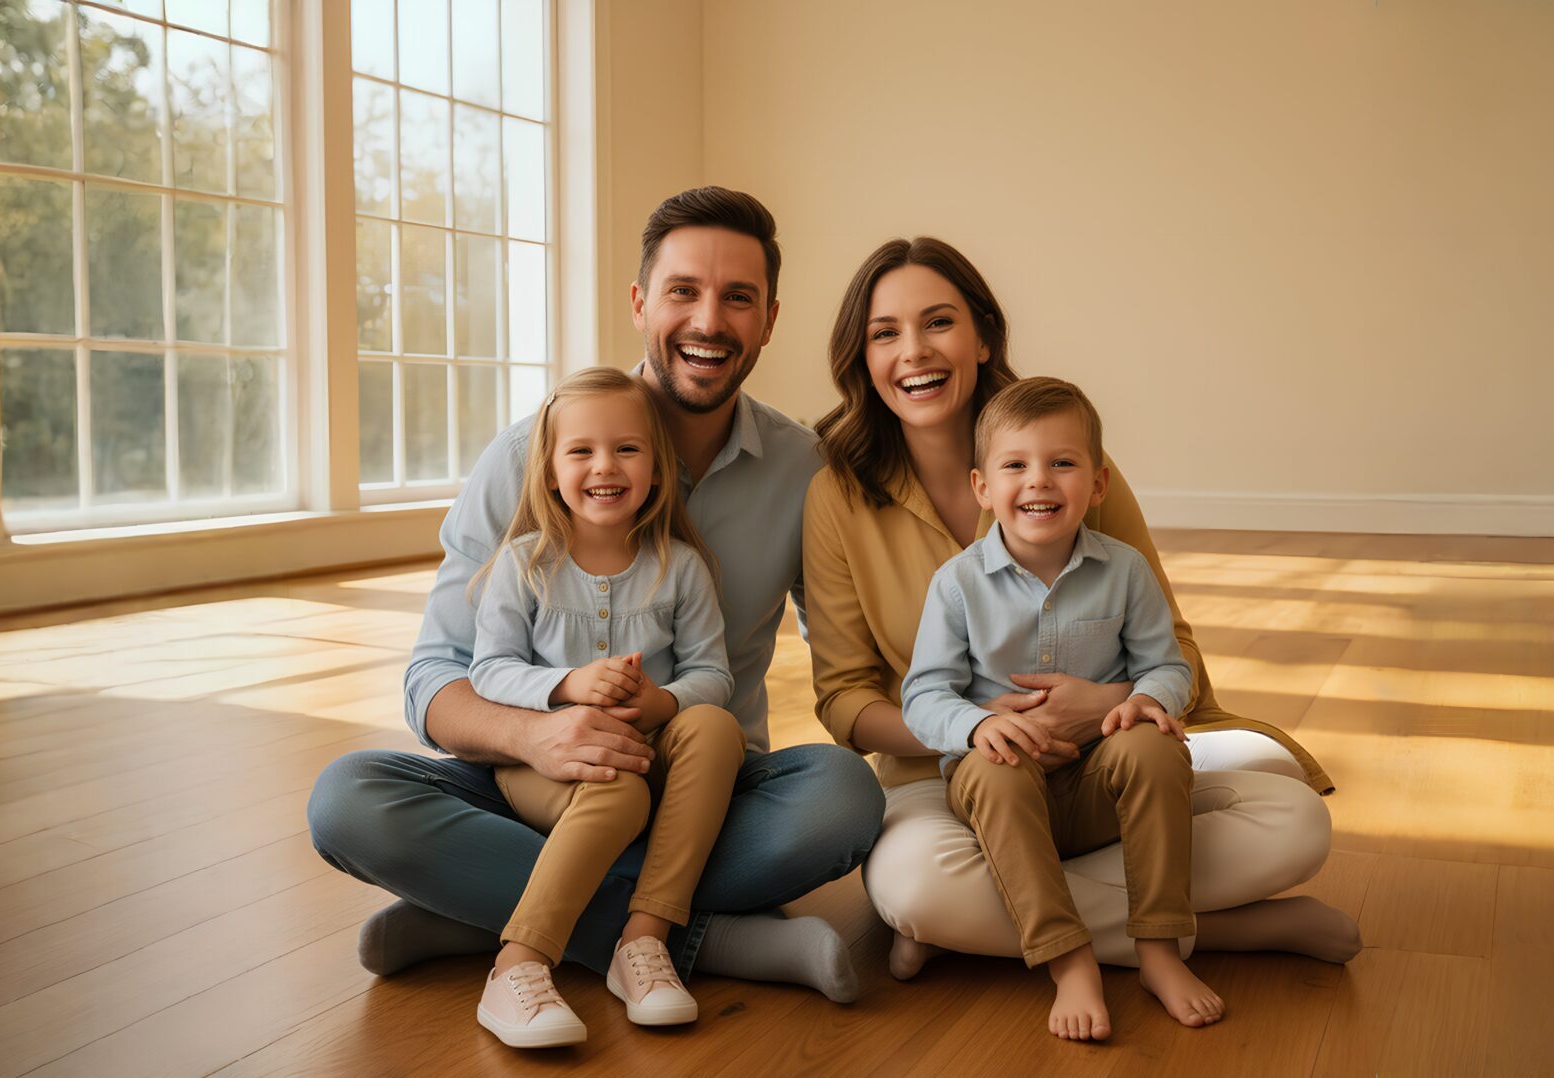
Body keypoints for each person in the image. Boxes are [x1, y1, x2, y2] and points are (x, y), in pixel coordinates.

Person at [307, 188, 884, 1007]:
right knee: (347, 801)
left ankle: (485, 919)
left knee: (843, 800)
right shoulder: (527, 457)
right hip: (535, 789)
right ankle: (701, 937)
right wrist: (538, 737)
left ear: (770, 318)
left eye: (738, 298)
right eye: (683, 291)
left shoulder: (803, 470)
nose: (708, 321)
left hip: (703, 791)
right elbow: (434, 680)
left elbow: (845, 659)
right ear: (641, 301)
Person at [800, 236, 1361, 989]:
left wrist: (1102, 708)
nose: (913, 352)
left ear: (983, 336)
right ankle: (1229, 929)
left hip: (1106, 762)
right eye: (884, 333)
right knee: (917, 887)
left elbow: (1175, 654)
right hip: (952, 777)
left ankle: (980, 933)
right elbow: (843, 700)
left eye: (938, 323)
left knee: (1296, 823)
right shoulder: (834, 495)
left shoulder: (1074, 465)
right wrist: (988, 725)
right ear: (861, 357)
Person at [901, 377, 1220, 1040]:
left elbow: (1166, 666)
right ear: (983, 487)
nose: (1039, 482)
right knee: (994, 766)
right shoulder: (957, 584)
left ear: (1098, 484)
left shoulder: (1125, 570)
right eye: (1015, 465)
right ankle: (1068, 960)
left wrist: (1144, 703)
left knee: (1156, 745)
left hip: (1096, 779)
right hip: (1002, 789)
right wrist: (981, 723)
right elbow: (923, 696)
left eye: (1062, 463)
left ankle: (1159, 950)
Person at [468, 368, 743, 1047]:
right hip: (548, 767)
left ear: (656, 467)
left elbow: (713, 673)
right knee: (617, 795)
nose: (605, 467)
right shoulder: (524, 564)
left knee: (715, 727)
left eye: (627, 449)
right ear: (551, 468)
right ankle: (517, 964)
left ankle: (642, 943)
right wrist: (565, 687)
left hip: (654, 755)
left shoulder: (680, 566)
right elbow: (489, 670)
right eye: (582, 451)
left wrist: (663, 700)